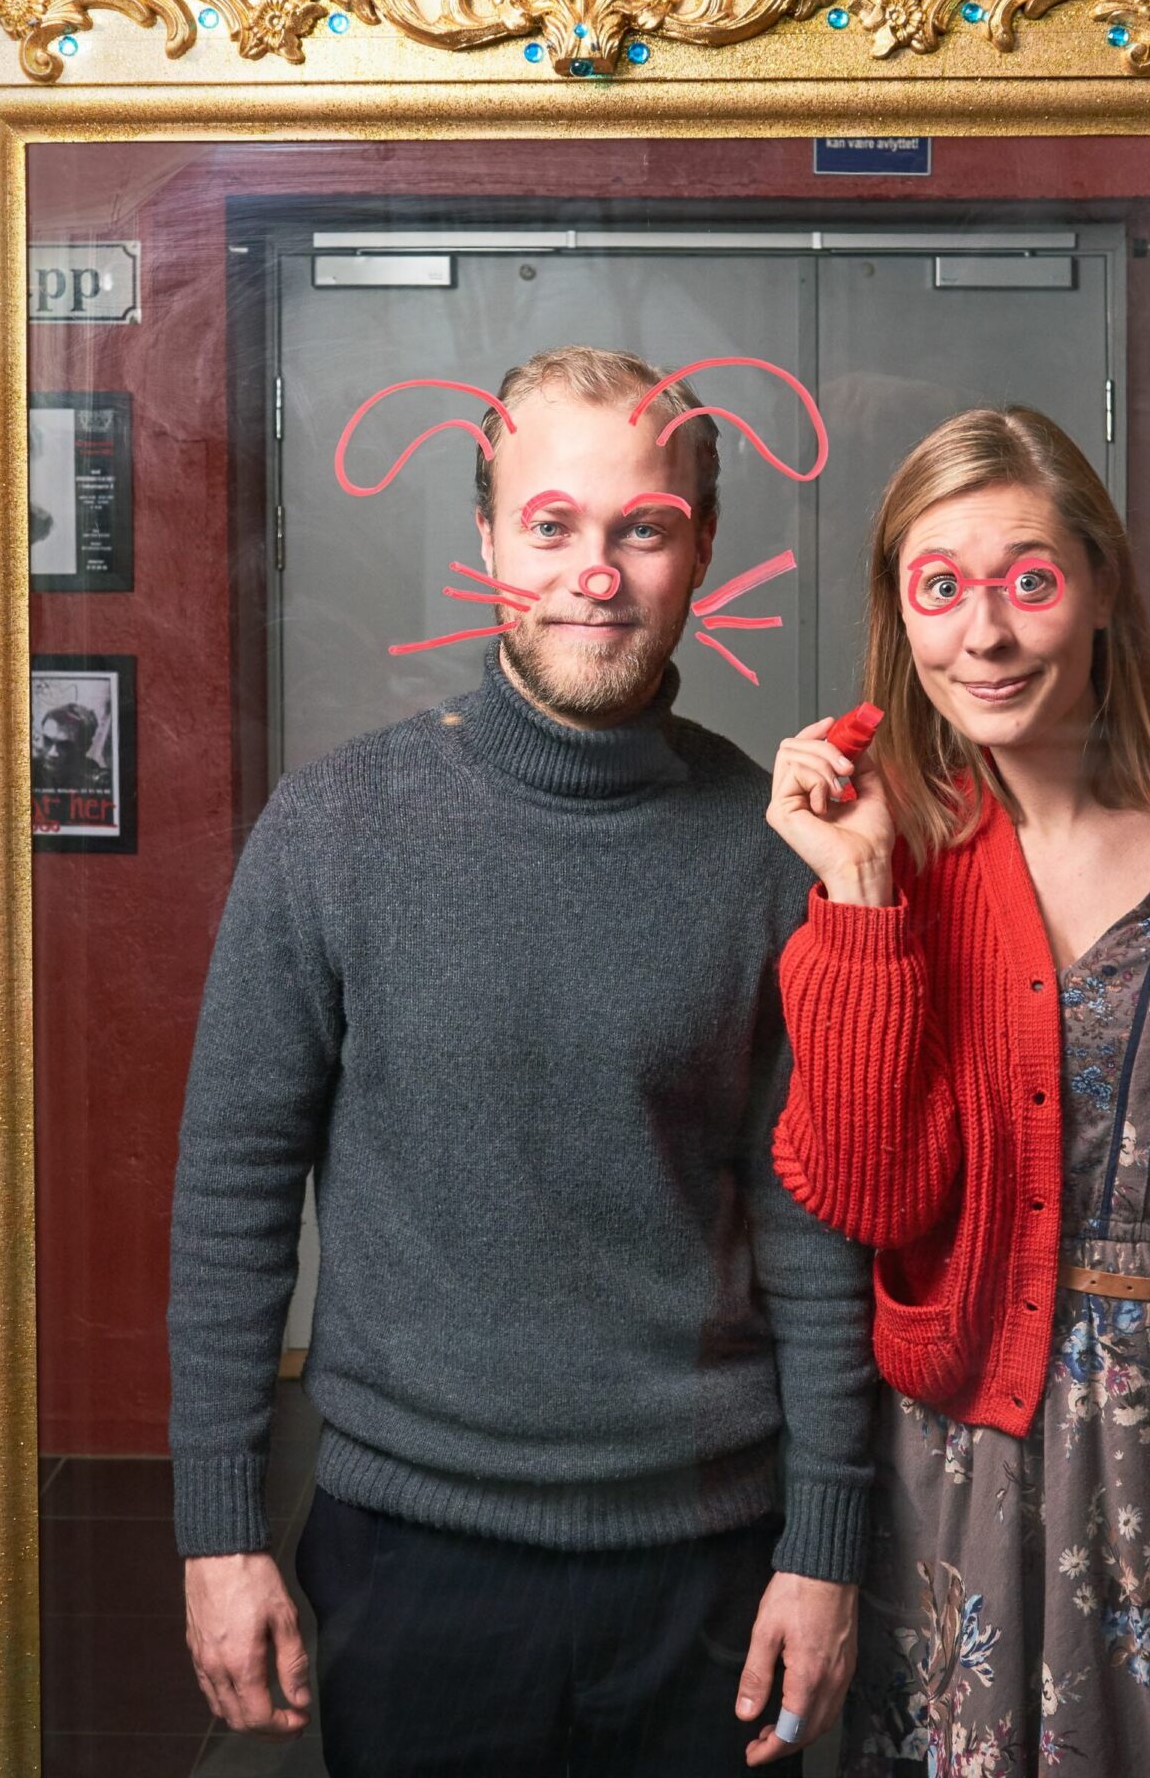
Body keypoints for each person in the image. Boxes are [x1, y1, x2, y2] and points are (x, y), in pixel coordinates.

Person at [169, 344, 876, 1776]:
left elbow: (810, 1221)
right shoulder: (333, 832)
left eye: (642, 529)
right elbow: (232, 1199)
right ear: (486, 539)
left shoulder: (769, 851)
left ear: (701, 550)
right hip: (413, 1555)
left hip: (710, 1560)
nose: (595, 574)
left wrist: (825, 1540)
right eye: (550, 525)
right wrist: (217, 1531)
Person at [765, 406, 1150, 1776]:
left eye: (1027, 581)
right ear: (899, 620)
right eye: (939, 590)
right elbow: (873, 1196)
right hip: (972, 1460)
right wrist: (856, 899)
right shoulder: (888, 853)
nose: (980, 636)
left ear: (1100, 587)